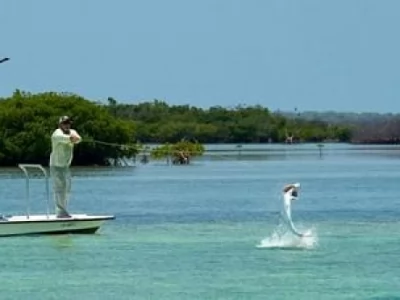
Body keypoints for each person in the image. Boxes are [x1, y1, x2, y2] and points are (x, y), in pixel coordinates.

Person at [49, 116, 81, 218]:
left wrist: (74, 138)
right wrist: (72, 138)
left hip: (66, 166)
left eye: (68, 123)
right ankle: (60, 212)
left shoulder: (72, 131)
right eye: (64, 123)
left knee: (67, 188)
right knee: (60, 188)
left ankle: (64, 210)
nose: (67, 125)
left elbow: (78, 139)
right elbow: (68, 139)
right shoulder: (56, 133)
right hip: (56, 165)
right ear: (60, 124)